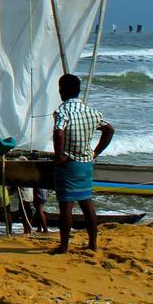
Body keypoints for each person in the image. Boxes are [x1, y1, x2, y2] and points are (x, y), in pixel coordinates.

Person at [50, 73, 115, 254]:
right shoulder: (91, 112)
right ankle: (93, 244)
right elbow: (109, 129)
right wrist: (96, 152)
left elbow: (58, 133)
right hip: (86, 163)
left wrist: (59, 155)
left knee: (66, 207)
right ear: (78, 91)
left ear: (62, 91)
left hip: (69, 163)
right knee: (87, 203)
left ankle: (64, 246)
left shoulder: (63, 111)